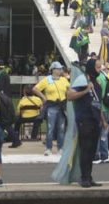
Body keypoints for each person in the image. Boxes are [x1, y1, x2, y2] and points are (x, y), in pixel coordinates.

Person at [67, 58, 105, 188]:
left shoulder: (97, 82)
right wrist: (85, 90)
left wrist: (104, 121)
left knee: (92, 150)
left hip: (95, 120)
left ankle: (89, 177)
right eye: (98, 67)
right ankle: (84, 178)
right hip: (85, 119)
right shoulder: (83, 80)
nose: (100, 70)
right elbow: (69, 96)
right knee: (86, 149)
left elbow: (98, 104)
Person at [34, 61, 70, 156]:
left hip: (61, 106)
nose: (60, 71)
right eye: (58, 69)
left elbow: (69, 90)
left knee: (61, 128)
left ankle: (60, 148)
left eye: (60, 69)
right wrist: (43, 97)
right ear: (53, 70)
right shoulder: (47, 80)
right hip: (51, 106)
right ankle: (48, 148)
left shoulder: (64, 80)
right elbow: (35, 89)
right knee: (50, 128)